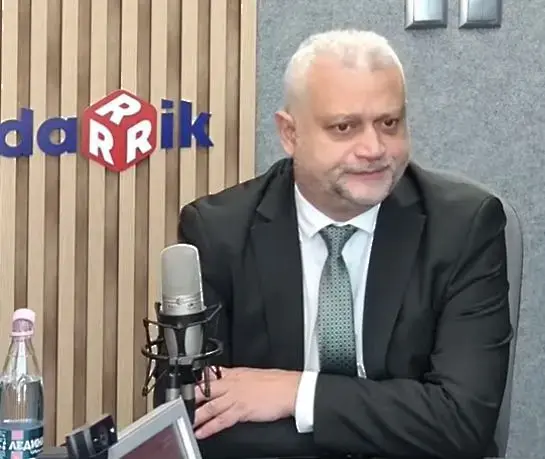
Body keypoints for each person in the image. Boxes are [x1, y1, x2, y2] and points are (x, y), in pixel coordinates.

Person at [158, 29, 513, 459]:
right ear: (290, 134)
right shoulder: (218, 232)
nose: (374, 148)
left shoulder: (463, 227)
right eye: (344, 127)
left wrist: (296, 394)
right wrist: (391, 420)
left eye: (389, 123)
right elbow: (199, 421)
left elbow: (461, 420)